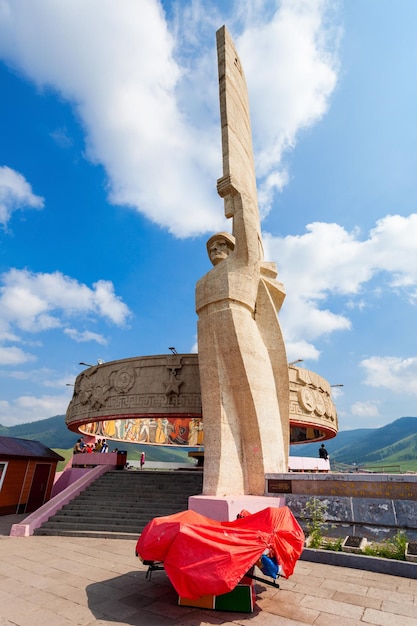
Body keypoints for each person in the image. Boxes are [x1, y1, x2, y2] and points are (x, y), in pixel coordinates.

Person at [195, 27, 289, 497]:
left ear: (230, 249)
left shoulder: (243, 267)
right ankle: (221, 481)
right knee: (218, 407)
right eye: (211, 248)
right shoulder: (204, 282)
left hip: (239, 322)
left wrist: (237, 193)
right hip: (210, 324)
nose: (216, 252)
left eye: (220, 246)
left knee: (250, 400)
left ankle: (260, 476)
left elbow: (250, 234)